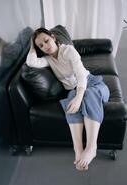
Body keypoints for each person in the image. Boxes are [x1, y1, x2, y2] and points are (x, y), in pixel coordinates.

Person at [26, 27, 110, 171]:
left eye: (46, 41)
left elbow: (81, 75)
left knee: (86, 95)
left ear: (53, 37)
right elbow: (31, 62)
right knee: (70, 100)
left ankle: (91, 147)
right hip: (73, 90)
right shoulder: (48, 59)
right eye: (41, 45)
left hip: (91, 83)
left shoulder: (68, 50)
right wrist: (32, 46)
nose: (45, 46)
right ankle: (78, 151)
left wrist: (79, 97)